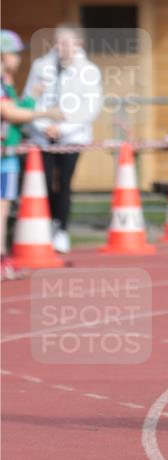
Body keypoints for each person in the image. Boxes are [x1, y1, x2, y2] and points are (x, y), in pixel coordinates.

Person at [23, 24, 102, 254]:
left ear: (78, 44)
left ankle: (62, 229)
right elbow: (30, 98)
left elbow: (90, 107)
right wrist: (44, 126)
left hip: (72, 137)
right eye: (58, 42)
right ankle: (47, 224)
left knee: (64, 182)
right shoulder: (41, 66)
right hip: (42, 136)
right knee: (45, 182)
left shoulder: (89, 70)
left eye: (67, 42)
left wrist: (64, 129)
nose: (61, 47)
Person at [1, 30, 62, 280]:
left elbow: (16, 113)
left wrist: (33, 99)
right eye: (15, 53)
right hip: (4, 157)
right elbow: (10, 114)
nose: (19, 58)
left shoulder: (8, 83)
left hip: (8, 156)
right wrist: (45, 113)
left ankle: (3, 259)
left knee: (4, 210)